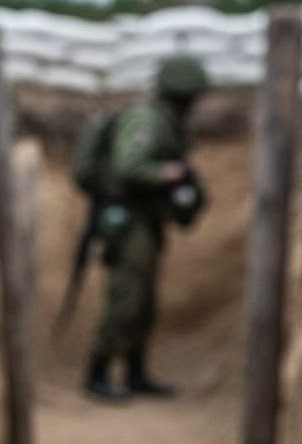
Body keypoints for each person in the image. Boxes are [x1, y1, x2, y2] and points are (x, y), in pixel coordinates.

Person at [84, 55, 210, 401]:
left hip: (146, 220)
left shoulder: (168, 122)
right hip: (128, 222)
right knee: (126, 298)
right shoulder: (146, 120)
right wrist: (170, 173)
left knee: (144, 302)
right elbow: (128, 165)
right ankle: (97, 374)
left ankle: (135, 373)